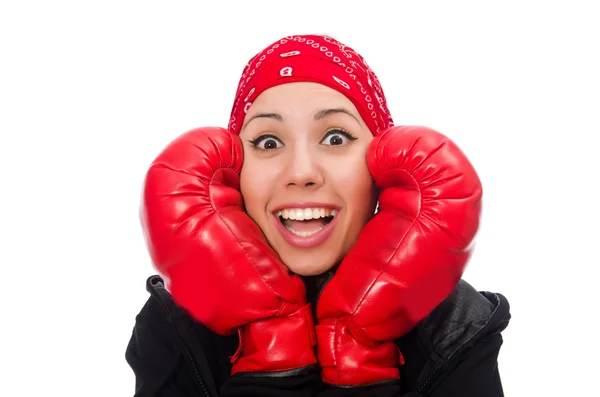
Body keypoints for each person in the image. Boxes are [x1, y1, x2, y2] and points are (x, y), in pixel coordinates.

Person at [125, 34, 511, 397]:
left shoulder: (456, 327)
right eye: (268, 142)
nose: (301, 173)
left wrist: (360, 359)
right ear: (233, 168)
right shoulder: (174, 324)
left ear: (383, 164)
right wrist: (270, 356)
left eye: (336, 138)